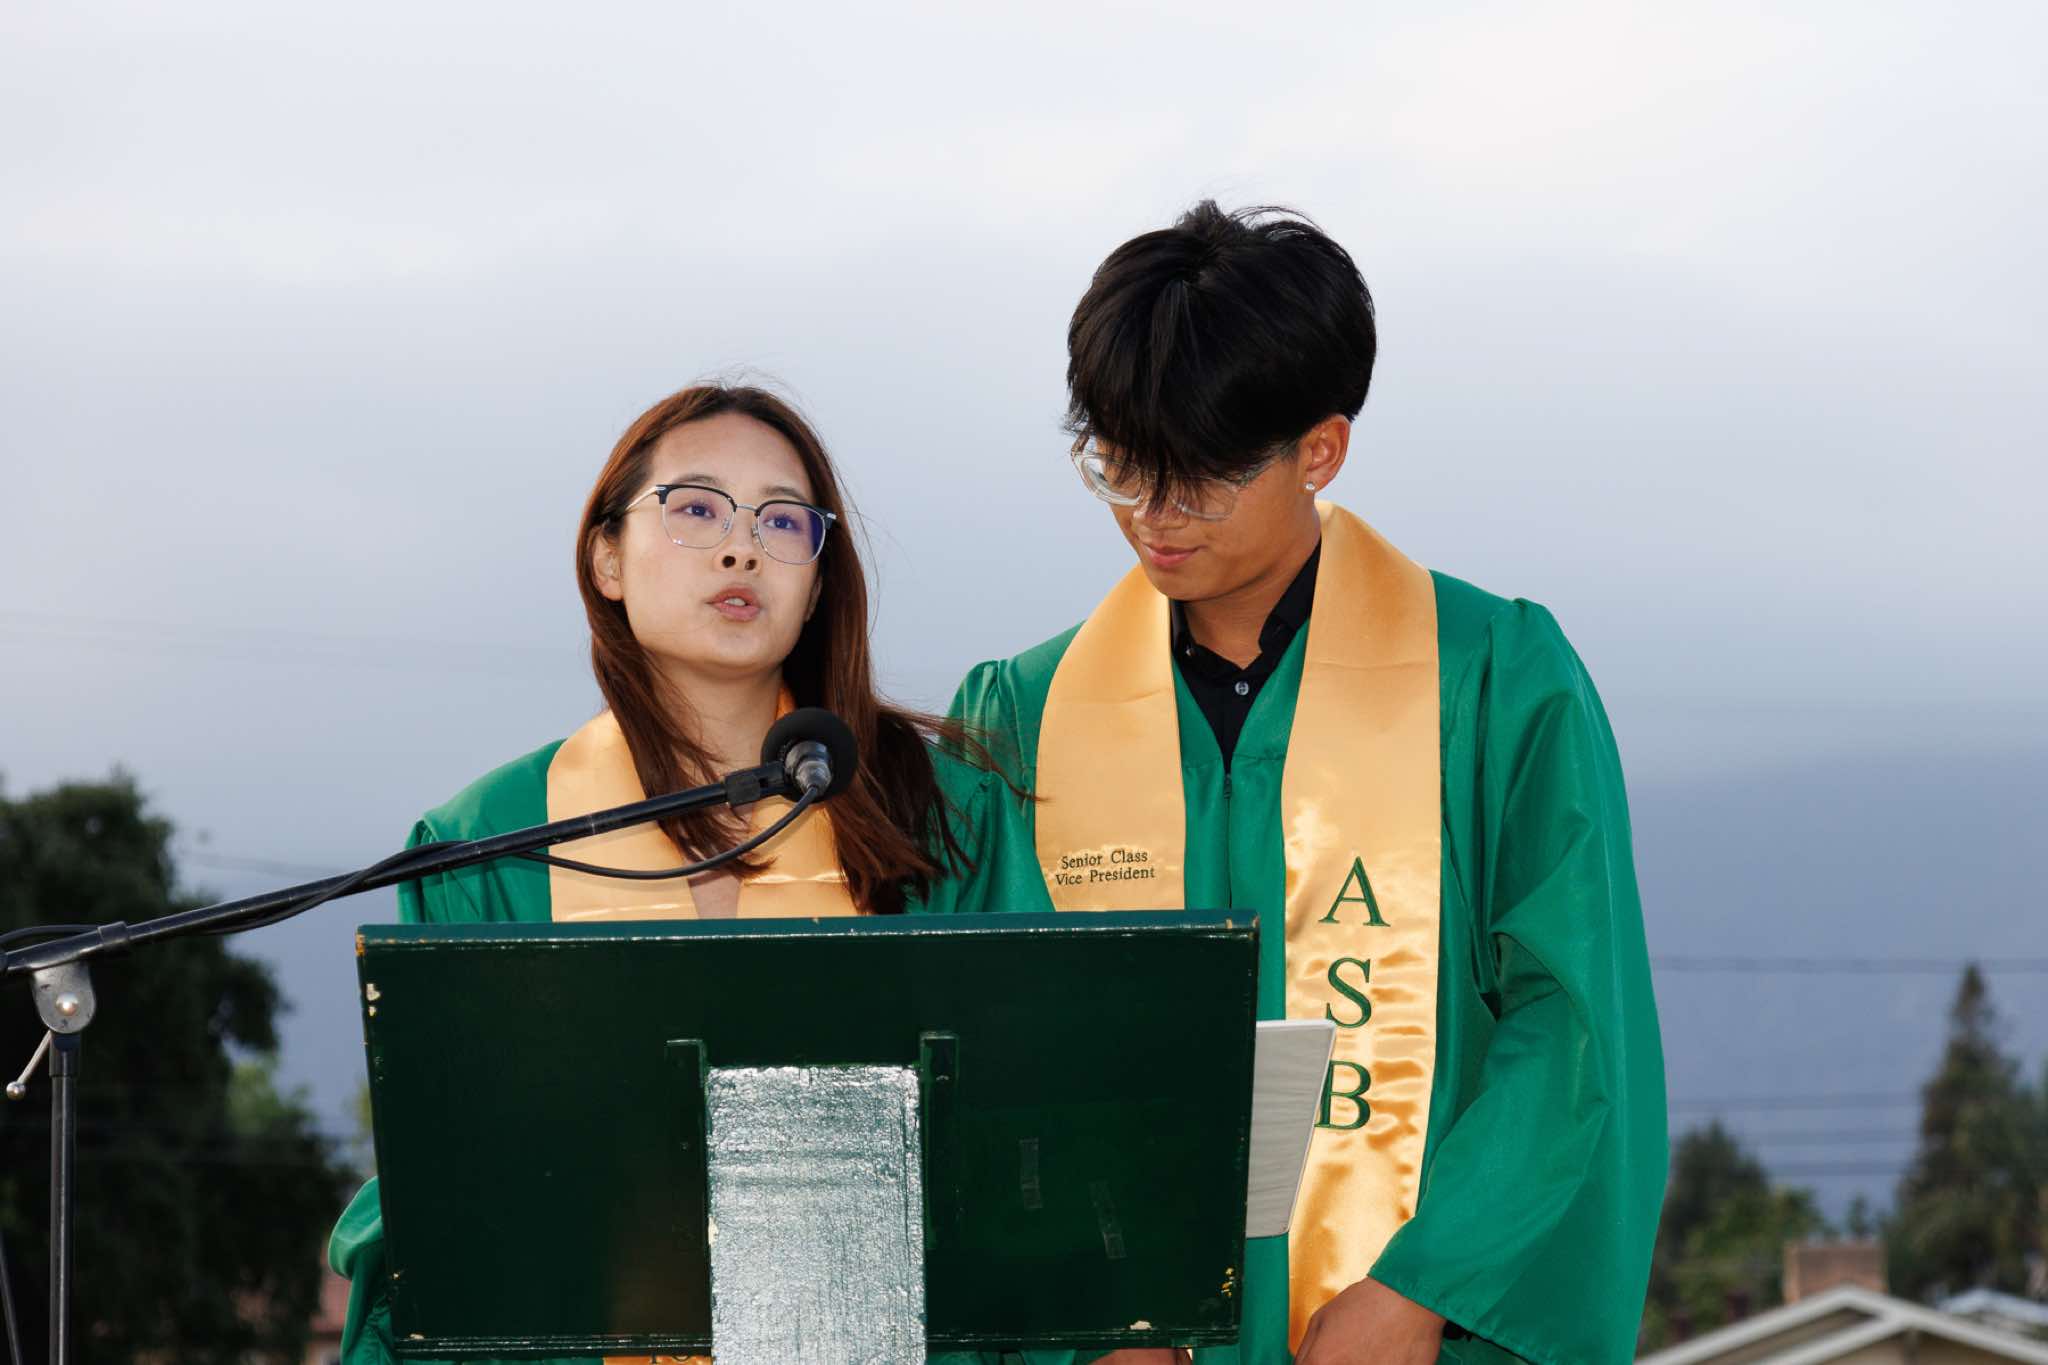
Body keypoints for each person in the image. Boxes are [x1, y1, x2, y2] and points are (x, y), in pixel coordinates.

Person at [946, 203, 1668, 1365]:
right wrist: (1089, 1306)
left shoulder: (1493, 683)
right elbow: (979, 1059)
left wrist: (1422, 1288)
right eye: (1120, 464)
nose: (1152, 513)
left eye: (1201, 475)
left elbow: (1569, 1023)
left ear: (1318, 451)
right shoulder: (1019, 723)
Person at [326, 382, 1028, 1365]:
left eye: (783, 520)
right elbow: (454, 1190)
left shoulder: (943, 817)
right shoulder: (491, 845)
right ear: (606, 558)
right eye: (696, 508)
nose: (742, 548)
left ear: (818, 583)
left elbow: (1023, 1142)